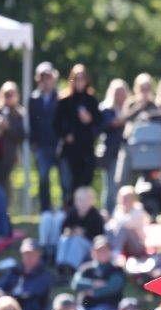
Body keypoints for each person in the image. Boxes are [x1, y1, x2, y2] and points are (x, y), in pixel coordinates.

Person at [54, 64, 102, 203]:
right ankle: (68, 210)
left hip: (86, 150)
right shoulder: (64, 101)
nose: (80, 82)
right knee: (68, 186)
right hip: (69, 151)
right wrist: (66, 135)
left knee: (85, 183)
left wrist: (90, 119)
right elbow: (56, 124)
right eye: (77, 79)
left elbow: (99, 123)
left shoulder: (91, 100)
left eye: (83, 79)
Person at [0, 238, 53, 310]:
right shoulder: (15, 271)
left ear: (38, 255)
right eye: (26, 254)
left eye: (32, 254)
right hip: (10, 307)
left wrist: (8, 298)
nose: (28, 257)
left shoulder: (44, 275)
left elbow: (30, 294)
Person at [29, 61, 62, 211]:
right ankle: (45, 210)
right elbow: (32, 123)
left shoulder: (60, 97)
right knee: (43, 179)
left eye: (48, 77)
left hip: (58, 145)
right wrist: (33, 143)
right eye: (42, 77)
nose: (46, 81)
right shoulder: (34, 98)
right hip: (42, 146)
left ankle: (63, 209)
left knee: (63, 179)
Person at [52, 186, 105, 276]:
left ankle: (71, 269)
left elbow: (99, 237)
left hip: (90, 247)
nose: (82, 202)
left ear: (92, 201)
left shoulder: (96, 216)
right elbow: (64, 229)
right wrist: (69, 232)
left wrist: (84, 233)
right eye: (79, 200)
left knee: (77, 241)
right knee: (64, 239)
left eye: (85, 200)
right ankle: (61, 266)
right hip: (71, 243)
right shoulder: (72, 213)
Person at [98, 79, 129, 211]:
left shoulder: (129, 108)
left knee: (124, 186)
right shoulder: (106, 109)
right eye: (117, 92)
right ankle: (107, 212)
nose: (120, 95)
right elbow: (111, 123)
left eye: (122, 92)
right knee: (111, 187)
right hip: (111, 154)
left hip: (127, 152)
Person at [73, 236, 126, 310]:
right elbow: (76, 283)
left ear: (110, 252)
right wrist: (93, 283)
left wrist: (93, 293)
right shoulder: (86, 268)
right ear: (93, 252)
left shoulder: (116, 269)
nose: (102, 253)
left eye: (105, 250)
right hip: (85, 308)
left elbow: (112, 288)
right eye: (99, 251)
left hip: (109, 308)